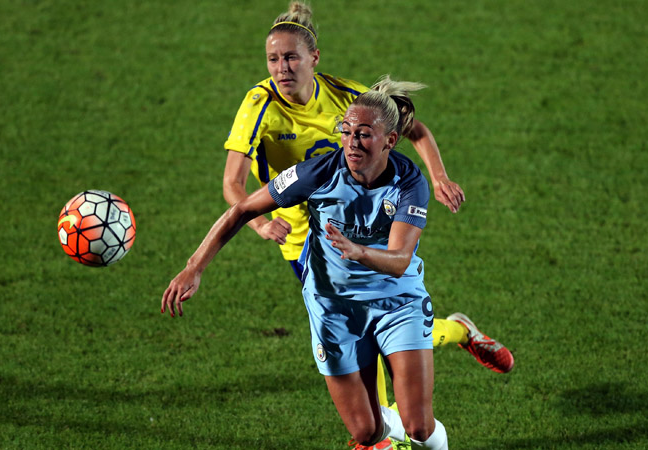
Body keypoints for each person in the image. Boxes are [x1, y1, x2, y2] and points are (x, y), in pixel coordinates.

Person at [222, 1, 513, 379]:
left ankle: (383, 434)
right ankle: (458, 332)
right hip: (303, 238)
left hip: (366, 223)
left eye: (291, 58)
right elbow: (232, 183)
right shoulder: (259, 105)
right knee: (358, 331)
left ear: (314, 58)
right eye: (273, 59)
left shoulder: (345, 97)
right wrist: (260, 225)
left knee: (379, 329)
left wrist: (439, 177)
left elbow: (415, 129)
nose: (282, 69)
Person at [163, 76, 451, 449]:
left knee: (419, 429)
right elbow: (243, 208)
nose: (351, 142)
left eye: (363, 134)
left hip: (396, 302)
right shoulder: (318, 172)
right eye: (346, 131)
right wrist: (194, 266)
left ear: (390, 141)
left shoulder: (409, 182)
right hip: (334, 309)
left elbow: (398, 261)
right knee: (365, 432)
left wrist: (359, 252)